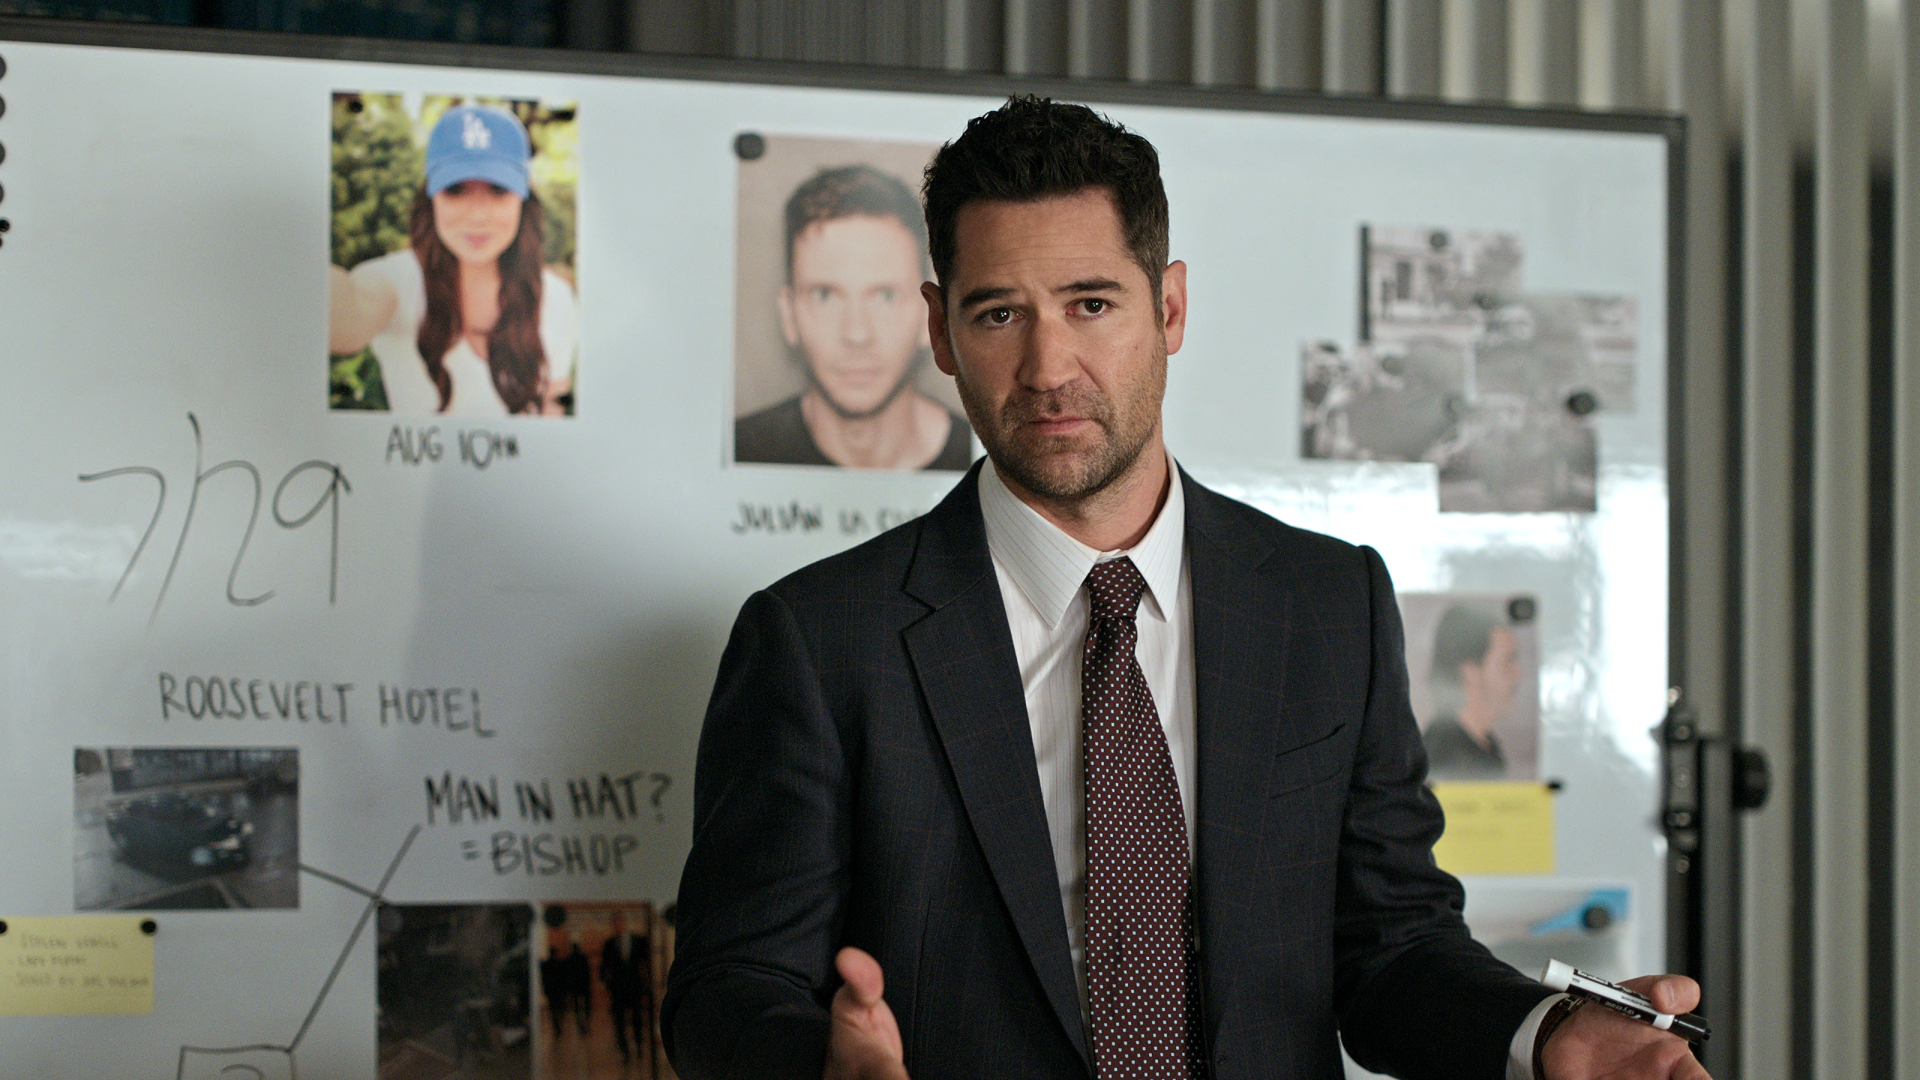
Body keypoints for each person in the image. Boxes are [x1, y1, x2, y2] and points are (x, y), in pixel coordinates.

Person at [665, 96, 1709, 1080]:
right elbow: (728, 986)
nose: (1047, 366)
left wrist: (1546, 1035)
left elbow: (1390, 949)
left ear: (1169, 307)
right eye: (997, 315)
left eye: (1091, 303)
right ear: (939, 333)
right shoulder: (818, 641)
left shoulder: (1327, 605)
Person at [329, 103, 577, 417]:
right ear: (431, 201)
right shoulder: (397, 280)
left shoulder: (555, 297)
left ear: (523, 203)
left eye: (498, 190)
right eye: (455, 190)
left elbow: (553, 408)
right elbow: (349, 312)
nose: (476, 215)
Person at [734, 165, 973, 470]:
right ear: (789, 315)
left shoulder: (989, 465)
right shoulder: (739, 452)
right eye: (825, 295)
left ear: (931, 314)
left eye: (885, 296)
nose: (857, 333)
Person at [1421, 603, 1521, 780]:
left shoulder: (1487, 745)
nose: (1517, 675)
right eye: (1507, 662)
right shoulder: (1444, 754)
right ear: (1470, 672)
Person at [602, 911, 656, 1075]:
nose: (617, 926)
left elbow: (645, 963)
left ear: (624, 923)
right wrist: (605, 983)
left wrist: (647, 984)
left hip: (634, 986)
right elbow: (605, 966)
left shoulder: (638, 941)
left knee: (637, 1017)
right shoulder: (609, 944)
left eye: (619, 923)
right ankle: (624, 1050)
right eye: (614, 924)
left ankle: (639, 1045)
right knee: (619, 1020)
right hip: (617, 988)